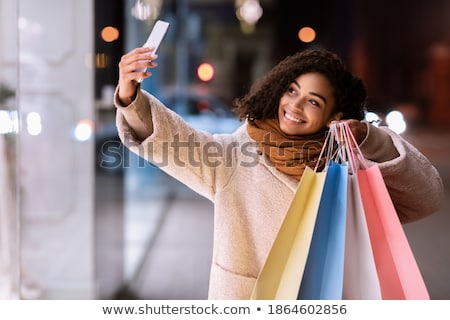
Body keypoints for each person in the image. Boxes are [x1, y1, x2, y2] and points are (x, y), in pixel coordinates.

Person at [115, 47, 444, 299]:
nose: (295, 106)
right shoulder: (236, 155)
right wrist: (131, 96)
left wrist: (370, 139)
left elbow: (425, 198)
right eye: (291, 91)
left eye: (313, 102)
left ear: (335, 115)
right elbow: (175, 142)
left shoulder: (350, 171)